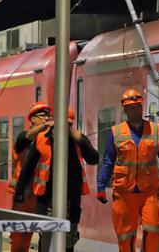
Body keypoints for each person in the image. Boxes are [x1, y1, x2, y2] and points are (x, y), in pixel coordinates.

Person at [96, 88, 159, 252]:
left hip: (149, 193)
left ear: (142, 107)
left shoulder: (156, 130)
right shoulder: (116, 132)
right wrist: (101, 186)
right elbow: (108, 161)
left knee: (152, 230)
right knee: (125, 235)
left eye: (137, 106)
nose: (135, 109)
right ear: (125, 110)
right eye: (131, 107)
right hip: (124, 193)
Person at [14, 108, 98, 252]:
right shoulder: (42, 139)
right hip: (46, 199)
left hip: (70, 200)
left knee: (68, 238)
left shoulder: (77, 140)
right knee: (46, 237)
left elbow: (93, 158)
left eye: (67, 126)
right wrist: (19, 191)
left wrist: (78, 137)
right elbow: (28, 167)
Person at [8, 102, 53, 252]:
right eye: (43, 116)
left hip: (40, 196)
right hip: (23, 199)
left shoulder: (48, 141)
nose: (47, 118)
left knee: (46, 237)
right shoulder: (23, 139)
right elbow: (24, 139)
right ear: (33, 119)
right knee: (20, 240)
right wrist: (46, 126)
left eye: (49, 116)